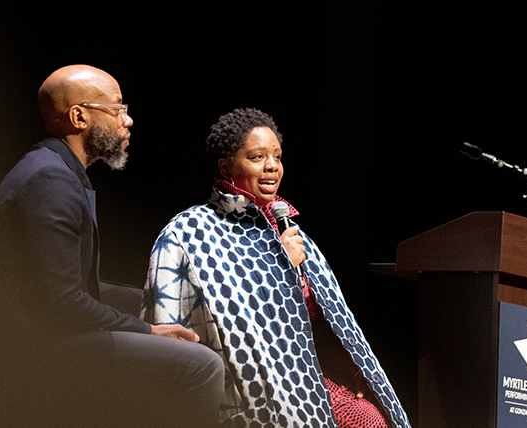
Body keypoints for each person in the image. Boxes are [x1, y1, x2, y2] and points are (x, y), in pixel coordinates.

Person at [141, 108, 411, 427]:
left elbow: (333, 326)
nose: (271, 167)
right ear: (226, 167)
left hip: (306, 378)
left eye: (277, 157)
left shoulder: (291, 232)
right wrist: (279, 264)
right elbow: (211, 327)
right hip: (242, 391)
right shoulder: (191, 232)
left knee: (372, 416)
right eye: (257, 156)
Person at [0, 65, 223, 427]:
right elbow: (62, 303)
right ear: (79, 116)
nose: (127, 120)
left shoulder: (57, 169)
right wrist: (146, 330)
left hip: (49, 324)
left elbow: (75, 287)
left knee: (157, 301)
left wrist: (155, 297)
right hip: (36, 343)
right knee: (204, 366)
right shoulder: (49, 180)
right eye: (117, 109)